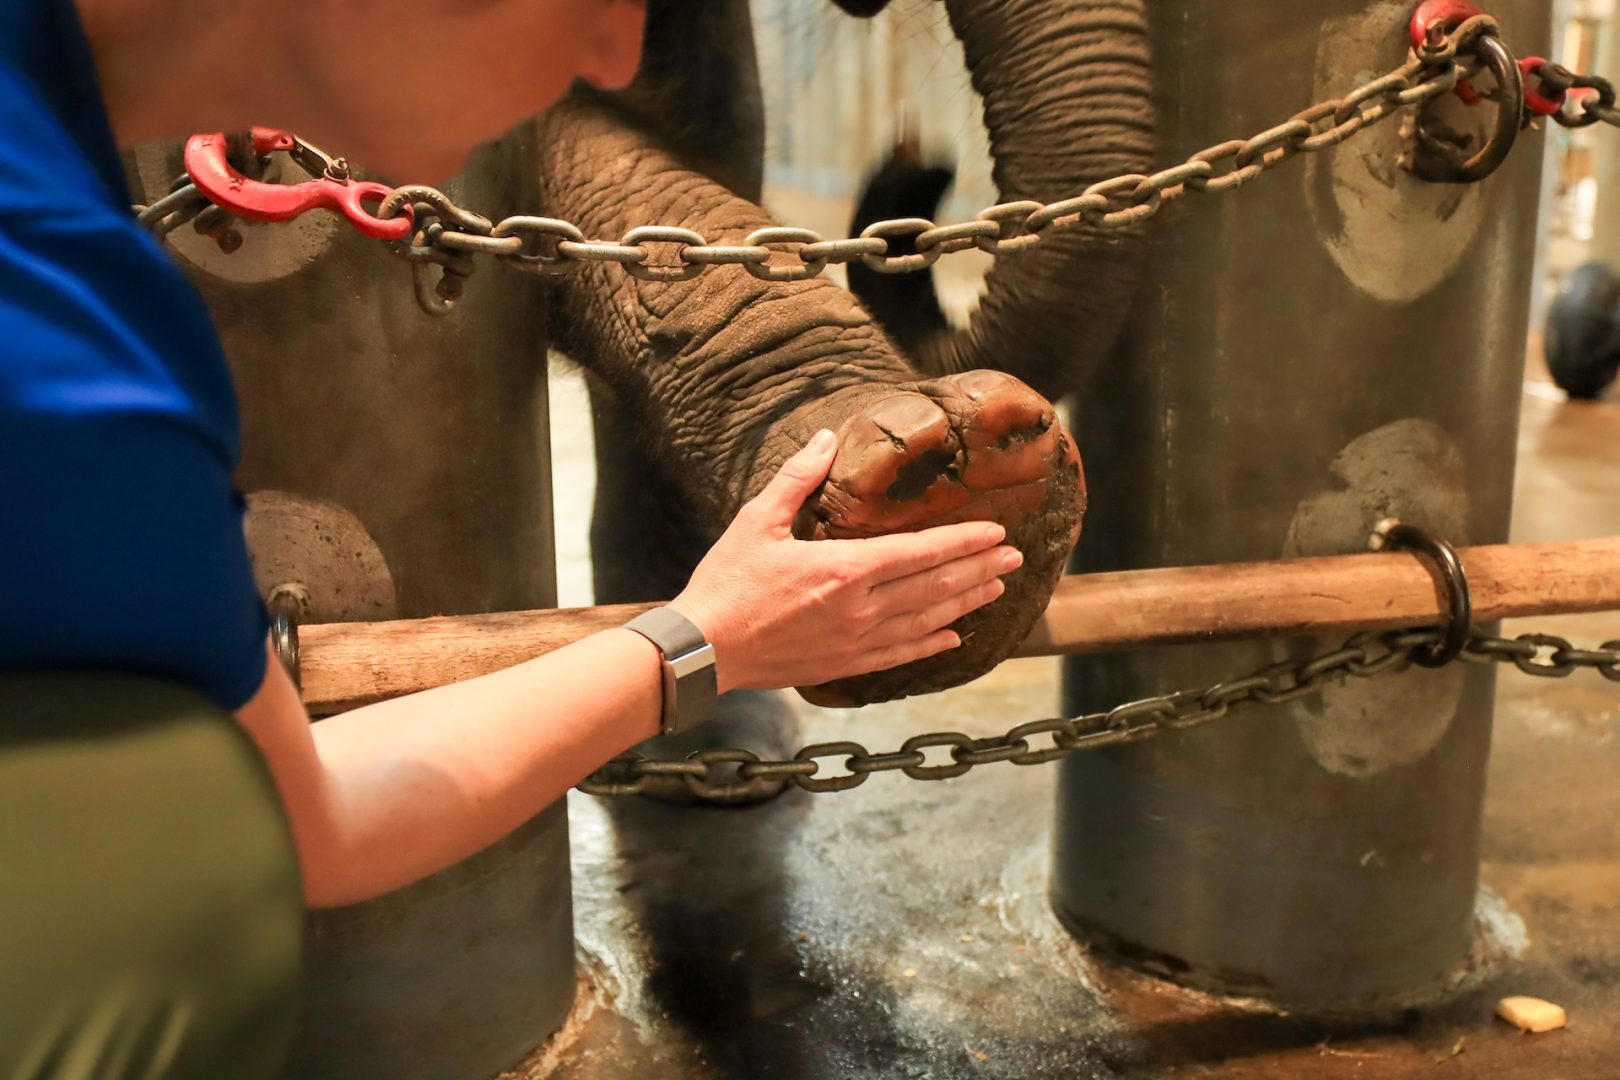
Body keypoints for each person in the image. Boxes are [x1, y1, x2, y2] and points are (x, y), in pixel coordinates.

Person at [0, 0, 1023, 1074]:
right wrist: (710, 640)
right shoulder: (59, 343)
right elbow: (278, 834)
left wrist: (715, 633)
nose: (620, 53)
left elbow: (285, 801)